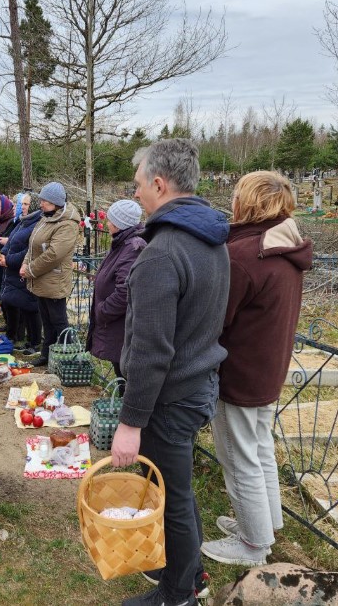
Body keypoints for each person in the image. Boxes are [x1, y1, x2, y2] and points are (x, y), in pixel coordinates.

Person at [111, 139, 230, 606]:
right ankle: (188, 571)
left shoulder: (162, 253)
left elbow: (151, 351)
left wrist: (130, 423)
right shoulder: (210, 239)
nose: (136, 193)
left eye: (138, 184)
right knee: (177, 488)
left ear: (159, 184)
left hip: (170, 396)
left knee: (172, 495)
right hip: (196, 385)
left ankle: (179, 593)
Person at [201, 171, 312, 567]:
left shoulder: (245, 256)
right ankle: (266, 524)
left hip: (242, 370)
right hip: (268, 366)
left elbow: (217, 318)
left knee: (238, 457)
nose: (231, 202)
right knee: (260, 449)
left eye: (236, 195)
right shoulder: (284, 246)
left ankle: (252, 544)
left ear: (247, 202)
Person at [85, 199, 146, 391]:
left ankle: (124, 406)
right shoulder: (122, 243)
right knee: (121, 372)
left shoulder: (131, 248)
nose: (107, 223)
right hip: (115, 324)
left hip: (120, 324)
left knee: (125, 375)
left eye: (110, 220)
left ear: (120, 224)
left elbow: (125, 290)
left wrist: (103, 310)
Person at [20, 182, 81, 367]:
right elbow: (33, 246)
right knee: (47, 321)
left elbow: (54, 254)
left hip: (54, 279)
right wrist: (25, 263)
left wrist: (30, 270)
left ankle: (72, 360)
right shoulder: (47, 217)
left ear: (55, 203)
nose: (40, 204)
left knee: (59, 322)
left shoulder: (67, 224)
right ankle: (47, 355)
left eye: (44, 201)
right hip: (41, 278)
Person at [0, 194, 42, 355]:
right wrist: (2, 254)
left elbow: (30, 251)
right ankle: (24, 339)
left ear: (34, 205)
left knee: (30, 307)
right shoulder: (23, 222)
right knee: (18, 304)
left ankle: (35, 343)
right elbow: (10, 242)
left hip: (23, 270)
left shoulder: (37, 224)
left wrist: (9, 260)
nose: (22, 207)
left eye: (26, 204)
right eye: (22, 203)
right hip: (12, 270)